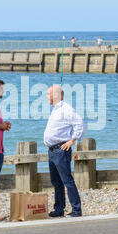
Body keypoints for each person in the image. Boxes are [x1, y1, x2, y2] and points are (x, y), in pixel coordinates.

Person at [44, 85, 84, 217]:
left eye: (48, 94)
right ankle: (59, 209)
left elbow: (79, 124)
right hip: (52, 151)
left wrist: (72, 140)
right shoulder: (55, 109)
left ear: (55, 95)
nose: (46, 97)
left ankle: (76, 210)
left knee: (67, 180)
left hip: (61, 150)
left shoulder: (66, 109)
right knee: (56, 182)